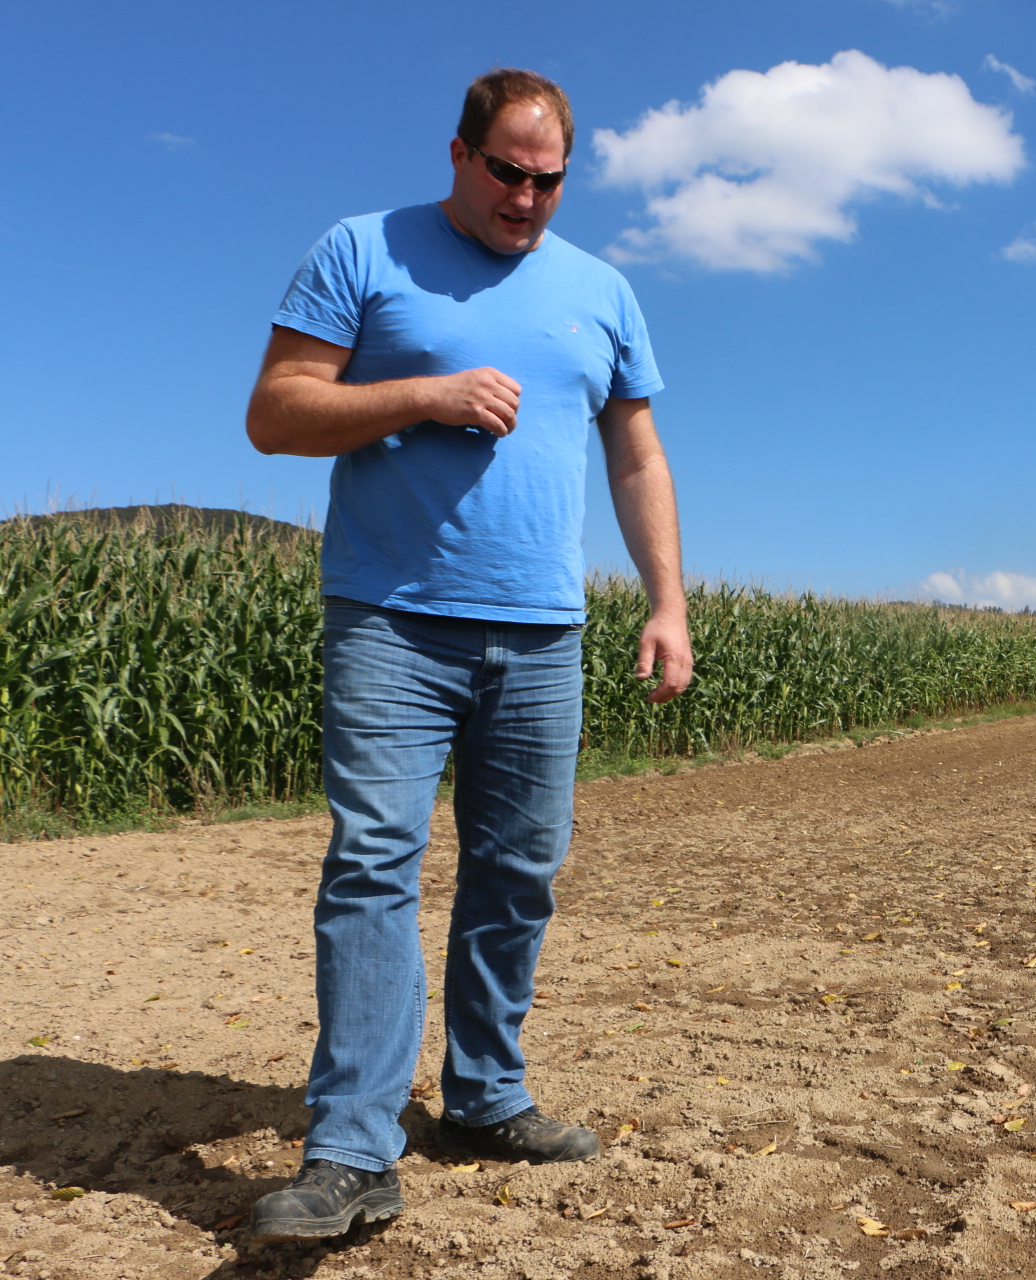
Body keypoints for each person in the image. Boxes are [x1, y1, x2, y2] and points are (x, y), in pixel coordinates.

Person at [243, 68, 692, 1242]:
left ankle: (485, 1097)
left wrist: (668, 601)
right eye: (508, 171)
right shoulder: (362, 250)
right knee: (375, 861)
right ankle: (352, 1147)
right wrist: (425, 394)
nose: (528, 198)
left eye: (550, 180)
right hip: (392, 616)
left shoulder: (601, 291)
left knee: (519, 868)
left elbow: (637, 455)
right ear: (457, 153)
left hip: (542, 632)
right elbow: (277, 412)